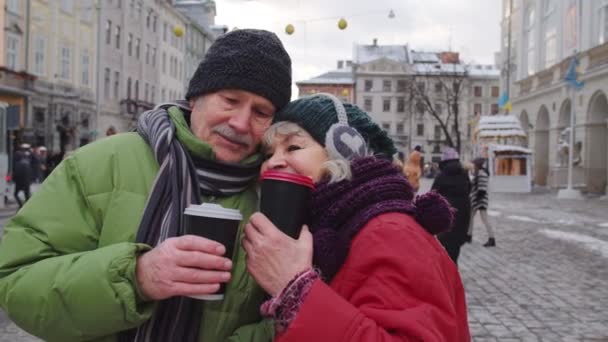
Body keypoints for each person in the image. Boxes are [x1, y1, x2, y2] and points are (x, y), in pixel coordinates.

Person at [0, 29, 292, 342]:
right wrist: (137, 276)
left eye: (261, 112)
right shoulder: (100, 163)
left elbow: (282, 317)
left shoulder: (275, 197)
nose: (240, 122)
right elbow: (16, 284)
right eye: (230, 100)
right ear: (196, 98)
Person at [242, 94, 470, 341]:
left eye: (293, 147)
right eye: (267, 153)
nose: (272, 162)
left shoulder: (390, 232)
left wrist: (295, 292)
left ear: (343, 152)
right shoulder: (327, 227)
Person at [431, 147, 471, 264]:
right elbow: (469, 190)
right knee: (455, 249)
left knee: (442, 249)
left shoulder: (441, 176)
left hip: (445, 216)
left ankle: (444, 274)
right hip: (462, 214)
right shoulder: (464, 175)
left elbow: (432, 195)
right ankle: (453, 270)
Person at [468, 157, 496, 247]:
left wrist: (476, 200)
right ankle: (469, 235)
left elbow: (482, 190)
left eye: (474, 164)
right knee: (471, 218)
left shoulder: (481, 174)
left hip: (480, 200)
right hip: (478, 200)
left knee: (484, 219)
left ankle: (491, 238)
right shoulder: (480, 173)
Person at [12, 144, 34, 208]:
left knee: (15, 194)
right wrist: (30, 181)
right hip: (27, 183)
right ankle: (27, 208)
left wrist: (14, 180)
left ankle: (20, 205)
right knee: (27, 196)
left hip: (19, 183)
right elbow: (31, 173)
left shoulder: (17, 164)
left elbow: (16, 174)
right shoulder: (27, 163)